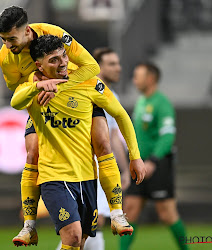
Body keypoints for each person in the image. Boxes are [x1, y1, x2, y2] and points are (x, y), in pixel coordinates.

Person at [0, 6, 145, 246]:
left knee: (103, 143)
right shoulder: (6, 56)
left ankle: (117, 213)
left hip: (74, 91)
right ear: (38, 63)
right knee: (33, 153)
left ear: (26, 32)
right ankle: (28, 225)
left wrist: (60, 85)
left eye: (12, 39)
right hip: (41, 100)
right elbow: (15, 92)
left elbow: (92, 67)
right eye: (3, 40)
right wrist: (37, 84)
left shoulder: (54, 33)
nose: (8, 45)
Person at [120, 62, 188, 250]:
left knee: (167, 214)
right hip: (139, 165)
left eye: (137, 75)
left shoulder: (162, 103)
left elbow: (167, 135)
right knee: (129, 212)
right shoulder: (142, 102)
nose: (134, 79)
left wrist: (153, 161)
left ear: (150, 78)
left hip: (157, 165)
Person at [81, 48, 131, 250]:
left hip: (102, 165)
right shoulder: (90, 91)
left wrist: (124, 169)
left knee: (96, 221)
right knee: (94, 220)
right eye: (111, 64)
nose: (117, 68)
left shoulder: (111, 95)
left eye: (117, 63)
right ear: (98, 66)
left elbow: (113, 136)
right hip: (88, 163)